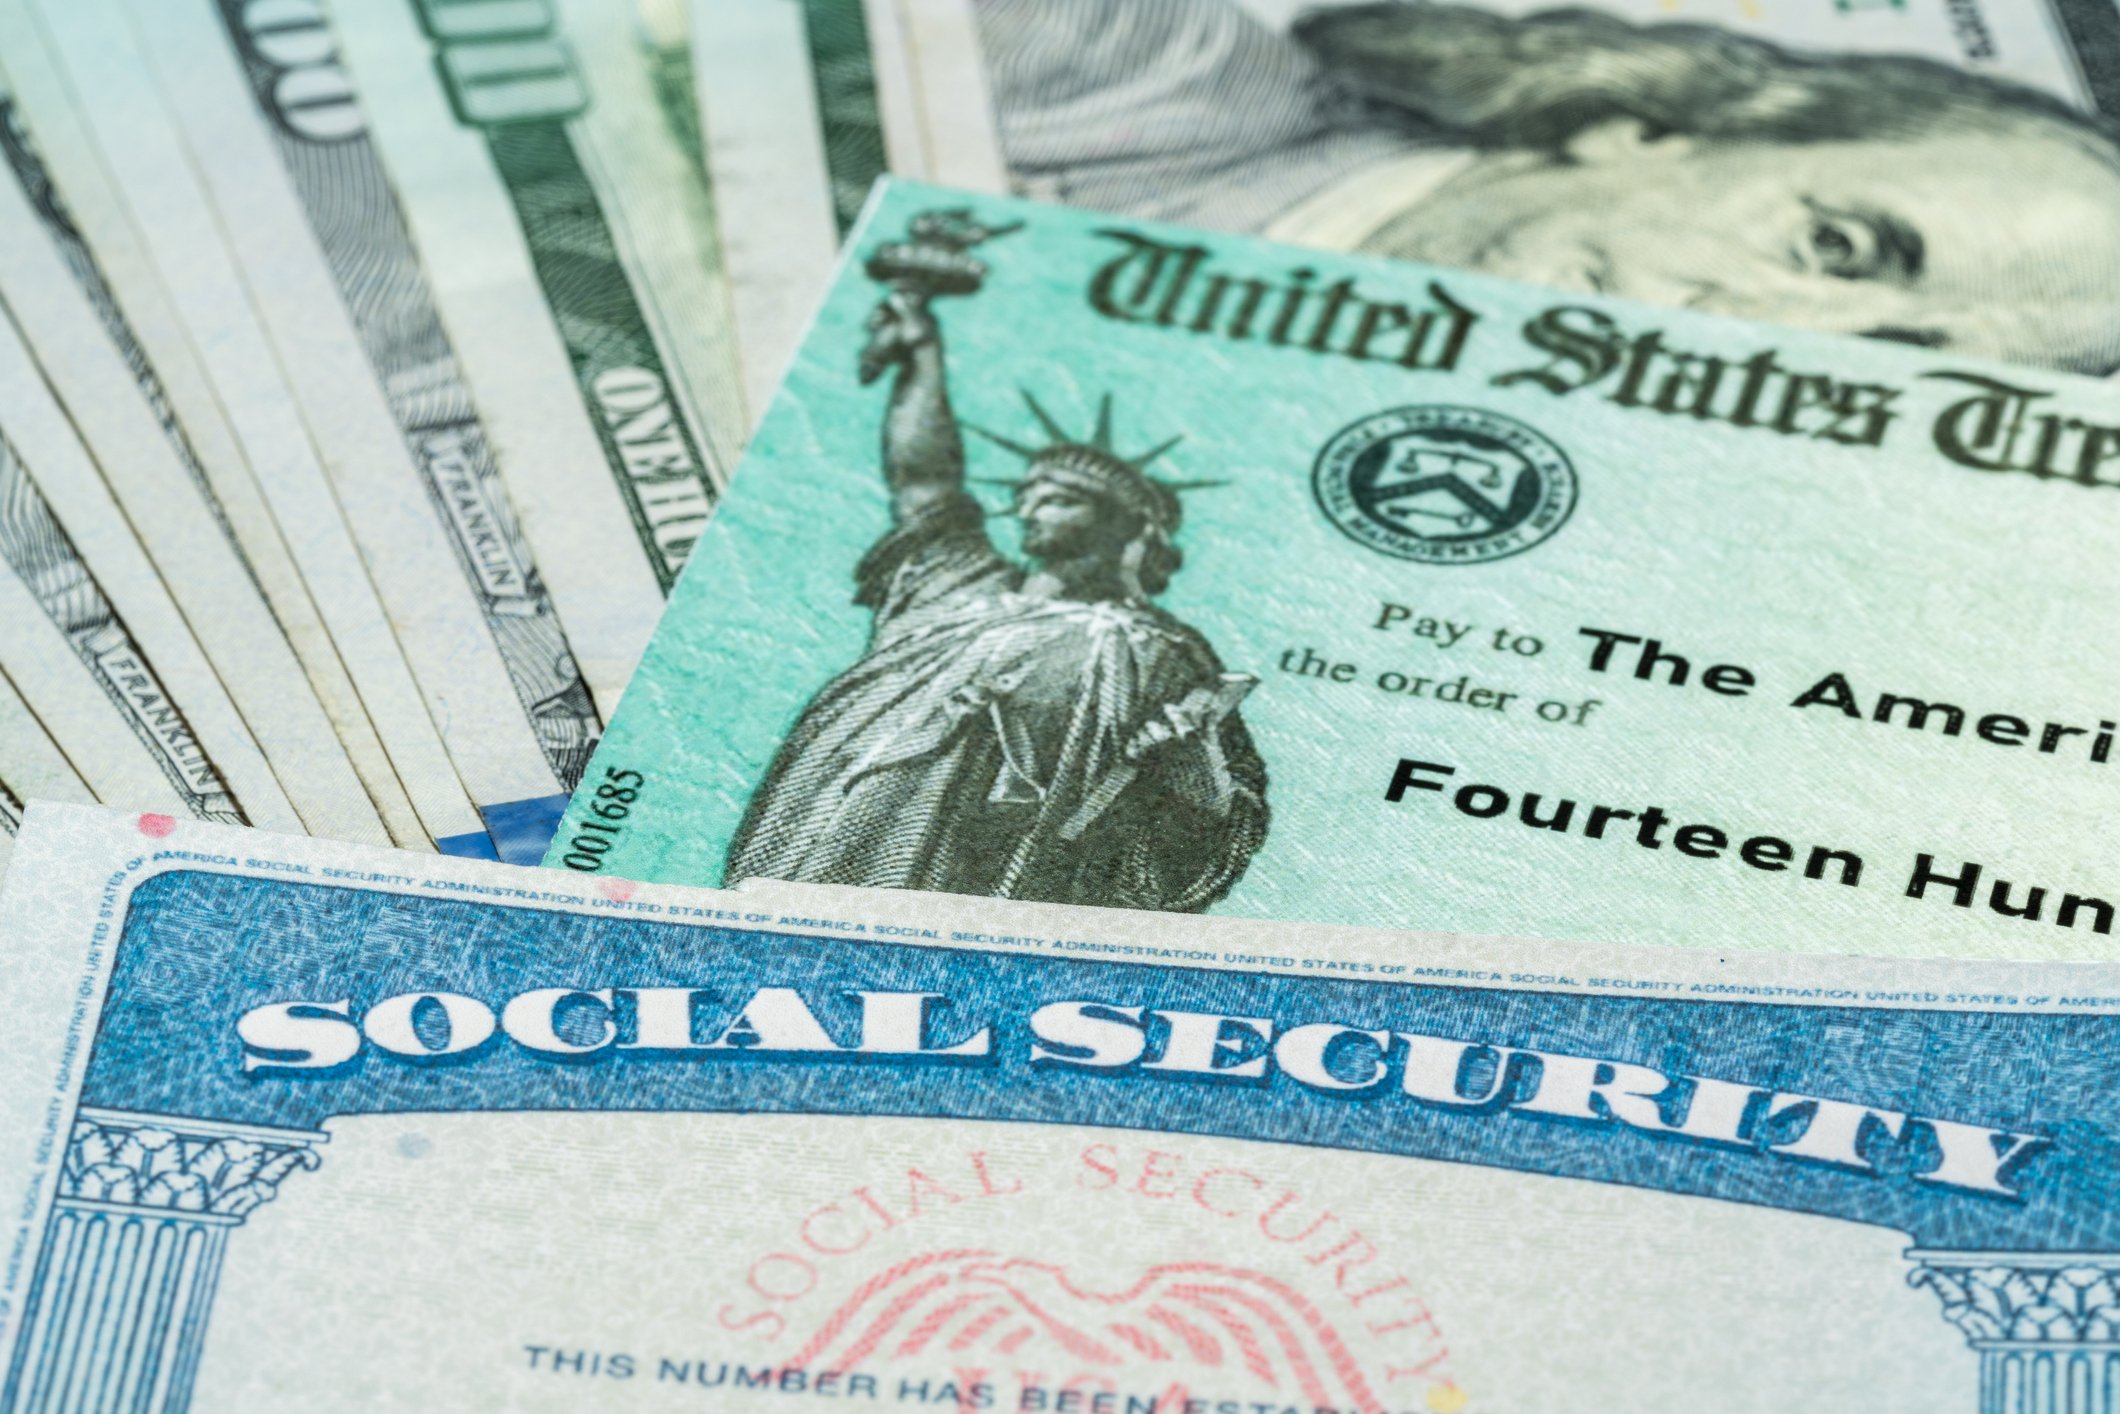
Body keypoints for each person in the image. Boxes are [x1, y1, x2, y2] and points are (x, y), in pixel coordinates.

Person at [974, 0, 2120, 373]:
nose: (1782, 344)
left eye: (1901, 358)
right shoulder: (1115, 60)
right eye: (1836, 248)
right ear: (1641, 132)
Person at [724, 216, 1269, 911]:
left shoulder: (1161, 655)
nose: (1034, 508)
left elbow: (1217, 825)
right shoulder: (958, 589)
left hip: (988, 888)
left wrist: (1196, 772)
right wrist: (922, 355)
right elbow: (924, 480)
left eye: (1065, 498)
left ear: (1127, 528)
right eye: (1030, 495)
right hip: (833, 849)